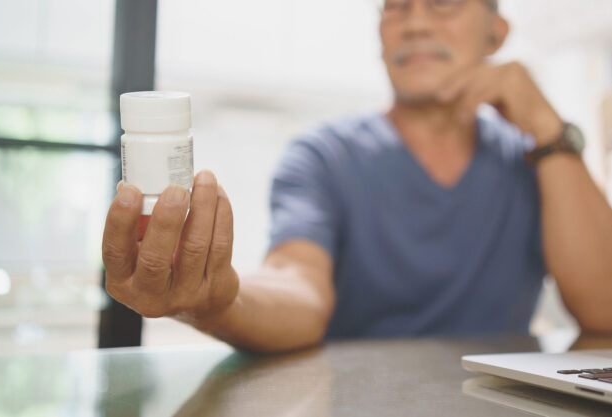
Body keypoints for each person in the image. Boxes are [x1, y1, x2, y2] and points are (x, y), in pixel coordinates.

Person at [101, 0, 612, 352]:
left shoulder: (538, 162)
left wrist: (547, 126)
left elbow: (605, 312)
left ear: (496, 34)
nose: (414, 23)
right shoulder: (325, 156)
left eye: (442, 4)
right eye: (396, 7)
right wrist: (219, 302)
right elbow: (297, 283)